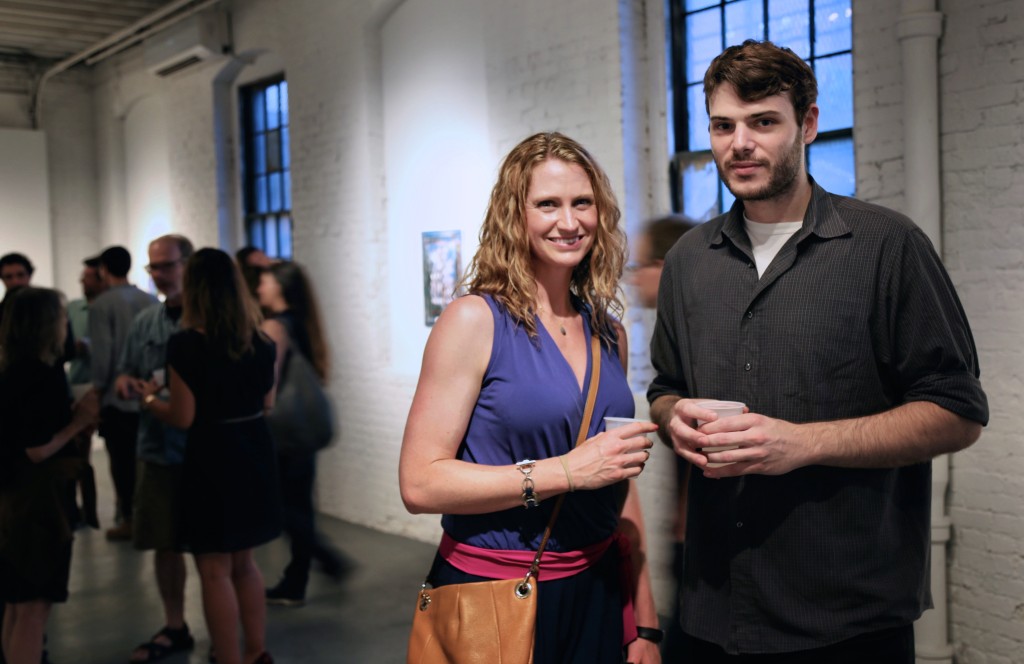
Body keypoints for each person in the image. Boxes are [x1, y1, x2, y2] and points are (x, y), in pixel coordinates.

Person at [647, 40, 989, 662]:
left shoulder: (887, 247)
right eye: (723, 126)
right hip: (713, 610)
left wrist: (802, 443)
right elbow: (665, 387)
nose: (739, 144)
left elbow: (957, 411)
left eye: (763, 122)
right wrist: (676, 421)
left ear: (807, 124)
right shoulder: (689, 262)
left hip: (846, 618)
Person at [400, 132, 661, 664]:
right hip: (497, 591)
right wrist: (564, 472)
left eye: (581, 203)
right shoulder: (473, 320)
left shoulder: (609, 331)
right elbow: (420, 483)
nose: (569, 222)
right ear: (514, 216)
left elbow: (615, 477)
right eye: (548, 204)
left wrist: (645, 624)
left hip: (599, 588)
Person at [140, 248, 279, 664]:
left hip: (211, 459)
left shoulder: (185, 345)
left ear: (196, 289)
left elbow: (183, 417)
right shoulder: (261, 342)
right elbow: (266, 404)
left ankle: (227, 656)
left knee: (214, 569)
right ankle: (256, 651)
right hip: (253, 453)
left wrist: (149, 399)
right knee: (245, 565)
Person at [0, 287, 100, 664]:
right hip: (36, 505)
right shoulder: (41, 376)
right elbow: (36, 449)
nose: (66, 324)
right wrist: (79, 422)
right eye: (60, 317)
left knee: (16, 604)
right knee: (33, 611)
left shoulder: (13, 372)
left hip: (13, 500)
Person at [114, 236, 195, 663]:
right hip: (158, 448)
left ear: (189, 264)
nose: (160, 275)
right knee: (165, 542)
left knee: (212, 546)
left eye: (167, 265)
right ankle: (175, 623)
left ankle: (223, 625)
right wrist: (130, 386)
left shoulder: (207, 323)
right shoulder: (146, 323)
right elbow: (124, 373)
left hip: (202, 451)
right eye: (153, 268)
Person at [627, 214, 698, 663]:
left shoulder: (699, 336)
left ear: (664, 266)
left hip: (702, 541)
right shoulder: (677, 333)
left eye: (640, 267)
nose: (632, 280)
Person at [257, 262, 346, 606]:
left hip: (284, 430)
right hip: (301, 429)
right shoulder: (303, 322)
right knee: (298, 505)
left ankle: (305, 574)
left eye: (264, 280)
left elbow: (269, 382)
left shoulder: (276, 326)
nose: (259, 286)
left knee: (284, 508)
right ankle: (310, 569)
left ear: (280, 286)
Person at [89, 246, 158, 541]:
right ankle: (144, 515)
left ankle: (130, 517)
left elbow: (102, 352)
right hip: (149, 393)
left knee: (121, 461)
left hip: (118, 397)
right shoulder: (150, 300)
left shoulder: (102, 304)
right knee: (144, 459)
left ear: (104, 269)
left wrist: (97, 390)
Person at [63, 256, 108, 531]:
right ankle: (84, 512)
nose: (82, 281)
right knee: (79, 453)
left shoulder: (108, 308)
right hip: (78, 384)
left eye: (87, 276)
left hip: (101, 384)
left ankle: (94, 512)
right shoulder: (72, 308)